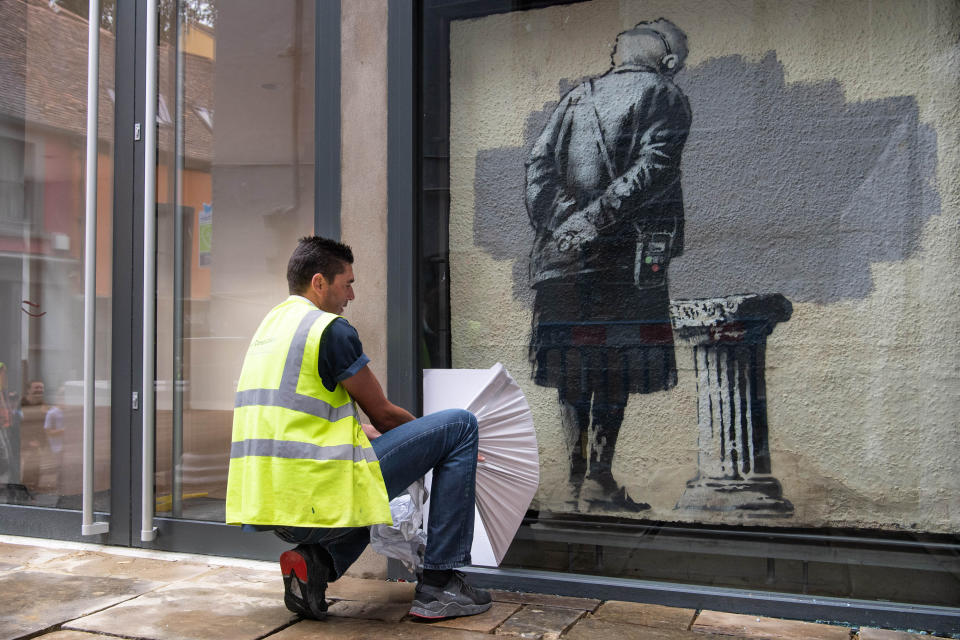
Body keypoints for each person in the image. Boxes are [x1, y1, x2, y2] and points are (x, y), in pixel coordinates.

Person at [226, 236, 491, 621]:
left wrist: (357, 431)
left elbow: (293, 416)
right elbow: (383, 414)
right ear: (319, 282)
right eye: (346, 283)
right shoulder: (329, 330)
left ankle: (314, 563)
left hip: (273, 506)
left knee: (364, 473)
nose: (351, 294)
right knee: (461, 427)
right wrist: (432, 442)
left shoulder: (270, 328)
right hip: (314, 500)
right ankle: (440, 584)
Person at [525, 19, 691, 513]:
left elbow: (538, 166)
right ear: (667, 61)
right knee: (614, 371)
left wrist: (563, 223)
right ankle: (597, 481)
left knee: (572, 370)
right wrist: (593, 222)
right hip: (627, 260)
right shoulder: (665, 94)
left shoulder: (577, 97)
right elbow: (655, 168)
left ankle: (578, 482)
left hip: (563, 263)